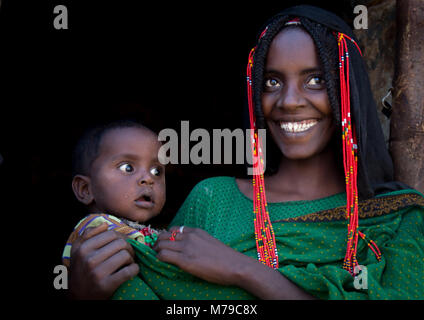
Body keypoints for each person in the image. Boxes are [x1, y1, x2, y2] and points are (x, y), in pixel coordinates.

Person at [67, 6, 424, 300]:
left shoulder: (400, 219)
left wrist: (242, 269)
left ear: (348, 89)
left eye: (315, 80)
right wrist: (85, 295)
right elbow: (156, 286)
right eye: (272, 82)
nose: (288, 101)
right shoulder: (213, 198)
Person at [62, 120, 166, 270]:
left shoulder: (143, 230)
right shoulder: (96, 229)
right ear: (85, 189)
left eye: (157, 171)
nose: (148, 179)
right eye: (127, 168)